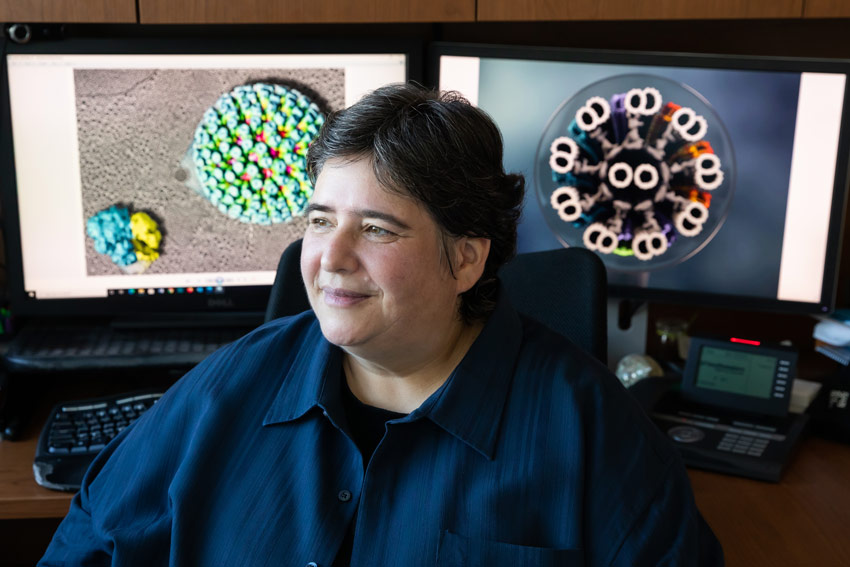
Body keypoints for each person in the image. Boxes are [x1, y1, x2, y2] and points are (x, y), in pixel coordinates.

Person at [40, 82, 723, 566]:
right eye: (319, 221)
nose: (329, 260)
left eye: (376, 228)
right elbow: (88, 539)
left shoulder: (595, 433)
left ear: (465, 257)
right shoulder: (230, 385)